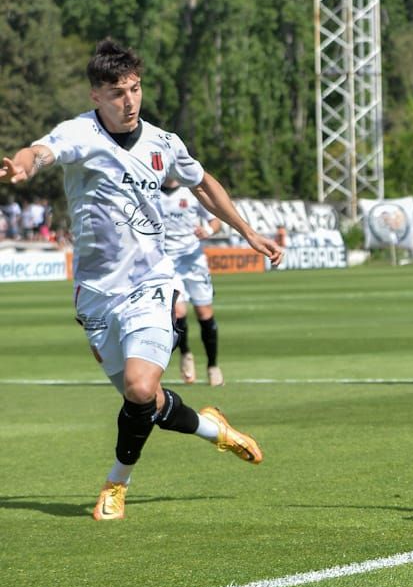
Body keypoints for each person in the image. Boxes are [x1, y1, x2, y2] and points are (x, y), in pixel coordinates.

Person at [0, 39, 284, 521]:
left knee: (137, 386)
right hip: (95, 294)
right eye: (116, 92)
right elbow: (41, 152)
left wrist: (248, 231)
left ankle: (116, 483)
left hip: (152, 283)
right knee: (147, 402)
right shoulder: (80, 134)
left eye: (134, 89)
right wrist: (23, 165)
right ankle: (215, 430)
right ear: (96, 96)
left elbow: (203, 183)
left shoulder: (163, 143)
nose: (129, 101)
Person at [158, 178, 225, 386]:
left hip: (194, 260)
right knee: (178, 313)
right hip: (168, 261)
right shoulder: (151, 191)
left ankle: (213, 366)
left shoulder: (192, 191)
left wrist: (209, 231)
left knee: (204, 314)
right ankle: (186, 354)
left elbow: (216, 220)